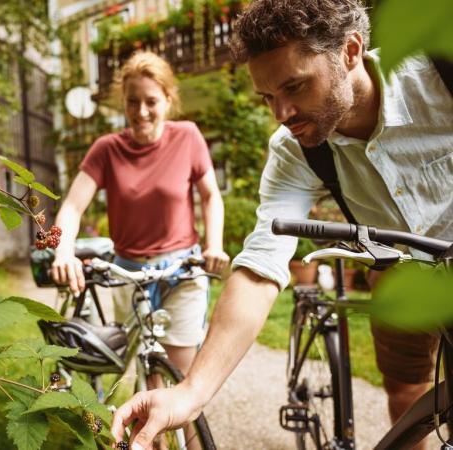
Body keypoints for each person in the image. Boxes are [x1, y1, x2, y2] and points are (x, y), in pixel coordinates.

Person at [111, 1, 453, 449]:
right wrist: (191, 393)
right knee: (409, 393)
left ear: (350, 51)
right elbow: (260, 264)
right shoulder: (296, 148)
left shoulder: (439, 79)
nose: (281, 112)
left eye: (295, 86)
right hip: (400, 275)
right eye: (268, 97)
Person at [51, 51, 230, 378]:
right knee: (149, 374)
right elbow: (73, 206)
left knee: (183, 377)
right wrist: (64, 253)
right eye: (133, 102)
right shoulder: (106, 149)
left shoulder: (188, 136)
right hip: (128, 274)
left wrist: (213, 245)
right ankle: (153, 431)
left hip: (180, 271)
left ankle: (189, 433)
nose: (142, 111)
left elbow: (210, 195)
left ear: (167, 98)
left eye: (151, 101)